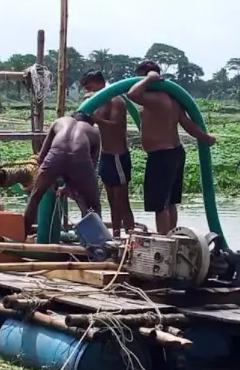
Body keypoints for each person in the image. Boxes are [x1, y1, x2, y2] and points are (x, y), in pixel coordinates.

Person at [126, 60, 217, 235]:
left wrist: (148, 80)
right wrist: (206, 137)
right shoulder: (172, 98)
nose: (136, 81)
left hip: (162, 156)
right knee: (169, 202)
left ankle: (163, 241)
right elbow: (187, 123)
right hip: (174, 153)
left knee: (160, 205)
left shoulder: (155, 98)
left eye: (138, 78)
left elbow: (132, 94)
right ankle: (171, 236)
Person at [22, 112, 101, 238]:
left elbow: (41, 157)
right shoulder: (94, 132)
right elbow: (92, 166)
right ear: (89, 123)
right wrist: (71, 187)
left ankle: (22, 236)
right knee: (94, 205)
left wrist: (48, 178)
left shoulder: (59, 121)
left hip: (55, 155)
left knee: (35, 198)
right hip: (79, 158)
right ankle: (97, 244)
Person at [80, 69, 135, 238]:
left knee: (122, 201)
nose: (88, 91)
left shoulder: (116, 100)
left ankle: (132, 237)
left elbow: (116, 126)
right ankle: (116, 235)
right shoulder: (96, 101)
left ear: (99, 83)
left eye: (90, 87)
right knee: (111, 199)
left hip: (118, 156)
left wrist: (97, 119)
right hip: (106, 156)